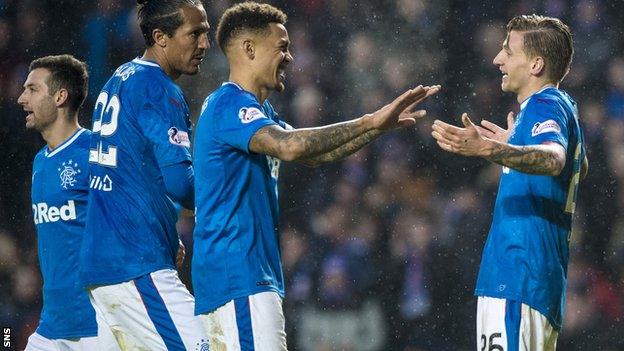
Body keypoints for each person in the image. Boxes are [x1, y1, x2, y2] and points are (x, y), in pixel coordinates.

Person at [192, 2, 440, 349]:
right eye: (282, 47)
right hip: (239, 279)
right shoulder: (228, 104)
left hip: (233, 279)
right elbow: (292, 147)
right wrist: (369, 121)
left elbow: (314, 153)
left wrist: (377, 127)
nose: (290, 57)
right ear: (249, 48)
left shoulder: (256, 111)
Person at [431, 15, 588, 350]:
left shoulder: (545, 103)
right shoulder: (564, 107)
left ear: (535, 64)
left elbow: (554, 159)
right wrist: (514, 145)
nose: (497, 59)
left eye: (508, 51)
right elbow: (579, 165)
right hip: (538, 281)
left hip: (518, 276)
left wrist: (490, 147)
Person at [79, 1, 211, 349]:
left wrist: (167, 230)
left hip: (107, 261)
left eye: (206, 33)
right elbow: (183, 185)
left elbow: (130, 170)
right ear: (160, 37)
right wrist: (231, 194)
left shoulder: (119, 77)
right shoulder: (158, 88)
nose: (204, 44)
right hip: (134, 263)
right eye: (194, 34)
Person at [18, 54, 118, 351]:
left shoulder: (96, 152)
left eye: (33, 90)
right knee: (7, 339)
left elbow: (139, 204)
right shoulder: (40, 162)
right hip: (52, 322)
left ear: (60, 96)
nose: (22, 98)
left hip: (97, 323)